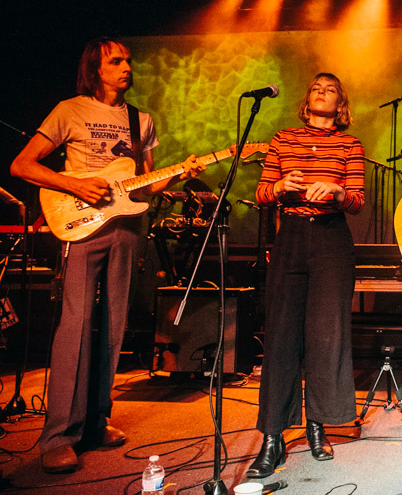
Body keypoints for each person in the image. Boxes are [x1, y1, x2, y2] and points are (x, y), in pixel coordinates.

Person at [10, 38, 205, 474]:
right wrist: (75, 185)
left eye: (128, 61)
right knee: (75, 324)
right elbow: (23, 165)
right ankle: (59, 435)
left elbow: (145, 182)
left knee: (114, 325)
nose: (125, 67)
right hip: (81, 225)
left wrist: (180, 172)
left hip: (126, 228)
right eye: (116, 61)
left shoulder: (141, 120)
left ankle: (96, 423)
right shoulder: (70, 110)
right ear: (96, 69)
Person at [246, 72, 365, 478]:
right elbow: (262, 192)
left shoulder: (350, 144)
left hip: (332, 239)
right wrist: (280, 187)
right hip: (291, 235)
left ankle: (317, 426)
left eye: (331, 89)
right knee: (280, 336)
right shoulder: (283, 139)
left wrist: (336, 192)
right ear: (307, 99)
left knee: (325, 334)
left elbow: (358, 201)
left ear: (340, 104)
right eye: (316, 87)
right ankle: (272, 437)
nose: (322, 92)